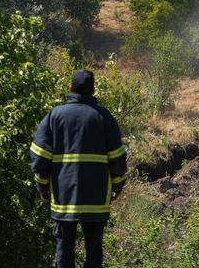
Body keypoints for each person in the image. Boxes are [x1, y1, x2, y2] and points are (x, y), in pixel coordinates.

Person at [30, 69, 127, 268]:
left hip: (64, 197)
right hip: (96, 198)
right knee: (94, 250)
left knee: (64, 249)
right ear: (92, 90)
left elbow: (40, 157)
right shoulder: (104, 117)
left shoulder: (55, 115)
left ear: (71, 88)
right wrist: (117, 186)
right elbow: (117, 158)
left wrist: (42, 187)